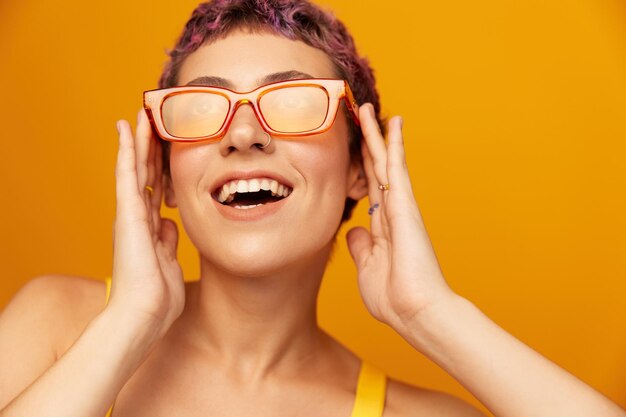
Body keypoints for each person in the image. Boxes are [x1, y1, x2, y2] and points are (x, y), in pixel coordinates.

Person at [0, 1, 624, 416]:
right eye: (201, 108)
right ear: (159, 171)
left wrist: (433, 314)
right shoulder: (59, 325)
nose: (243, 135)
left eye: (294, 102)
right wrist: (128, 322)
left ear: (363, 166)